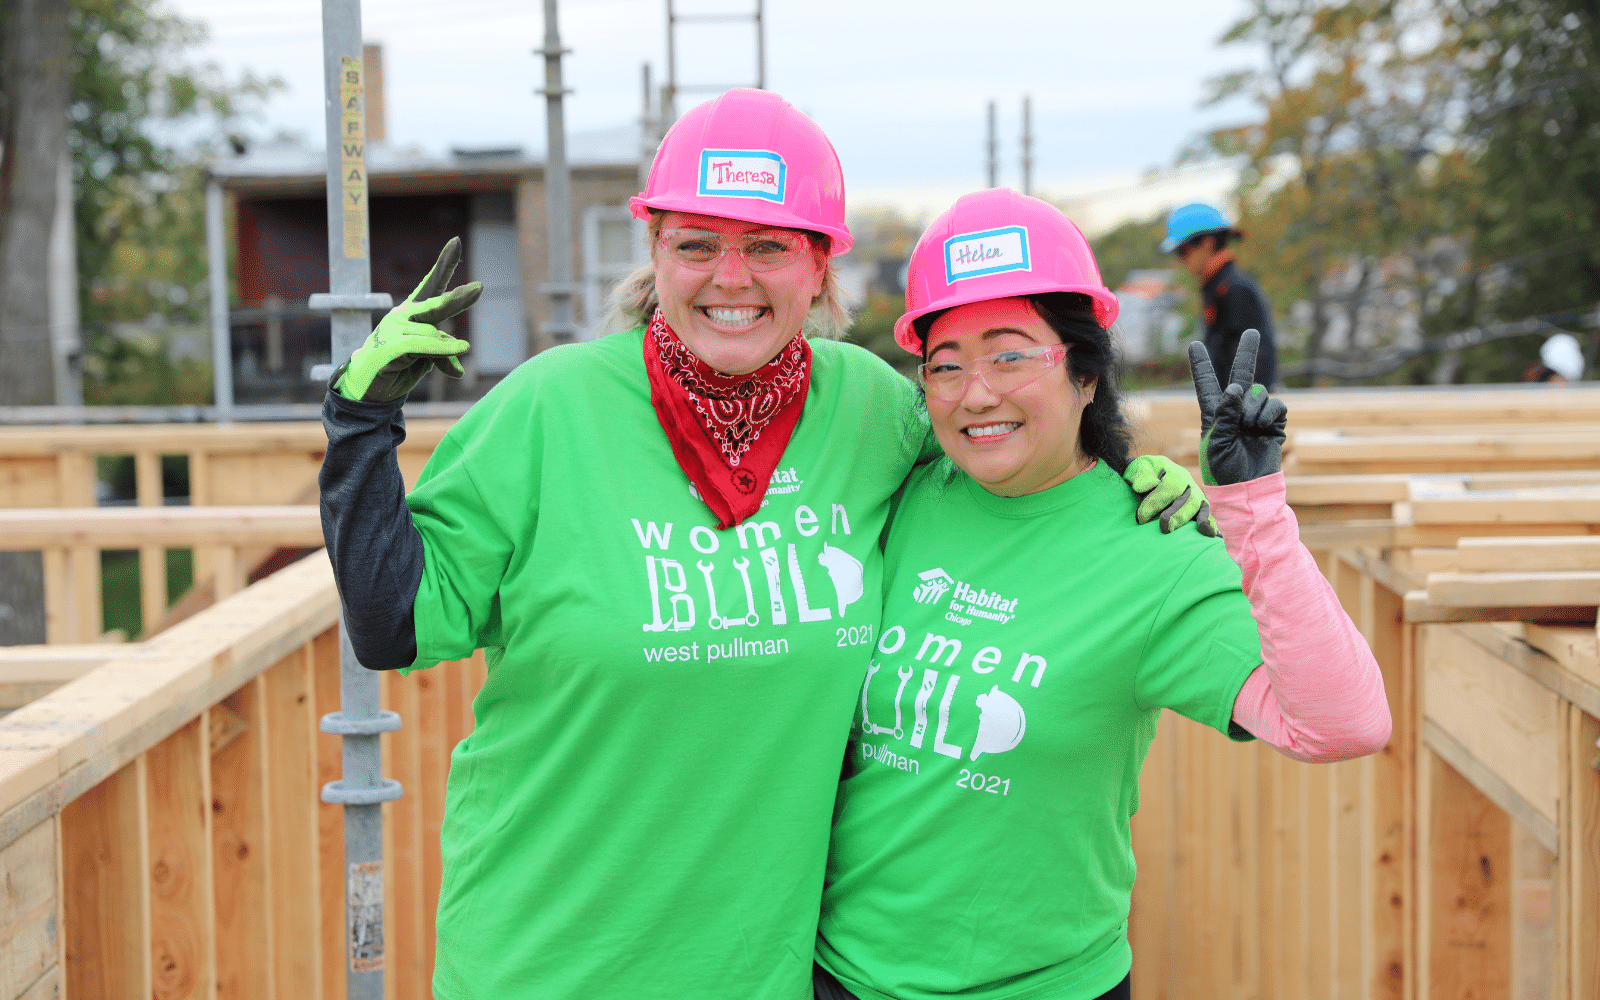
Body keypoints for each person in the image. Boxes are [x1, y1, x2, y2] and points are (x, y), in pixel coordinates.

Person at [318, 91, 1208, 1000]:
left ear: (820, 268)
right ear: (655, 251)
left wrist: (1125, 477)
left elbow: (1008, 453)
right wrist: (359, 425)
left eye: (770, 246)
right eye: (697, 243)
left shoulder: (872, 409)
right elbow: (392, 625)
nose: (731, 278)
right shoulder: (550, 409)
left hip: (762, 970)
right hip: (548, 958)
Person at [814, 189, 1392, 1000]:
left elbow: (1344, 723)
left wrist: (1254, 511)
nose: (976, 393)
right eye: (944, 364)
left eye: (1012, 354)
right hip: (842, 976)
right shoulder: (899, 498)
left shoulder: (1154, 550)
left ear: (1086, 373)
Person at [1162, 201, 1279, 390]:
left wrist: (1240, 410)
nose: (1181, 261)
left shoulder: (1235, 290)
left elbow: (1258, 365)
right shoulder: (1217, 289)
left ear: (1207, 244)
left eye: (1183, 251)